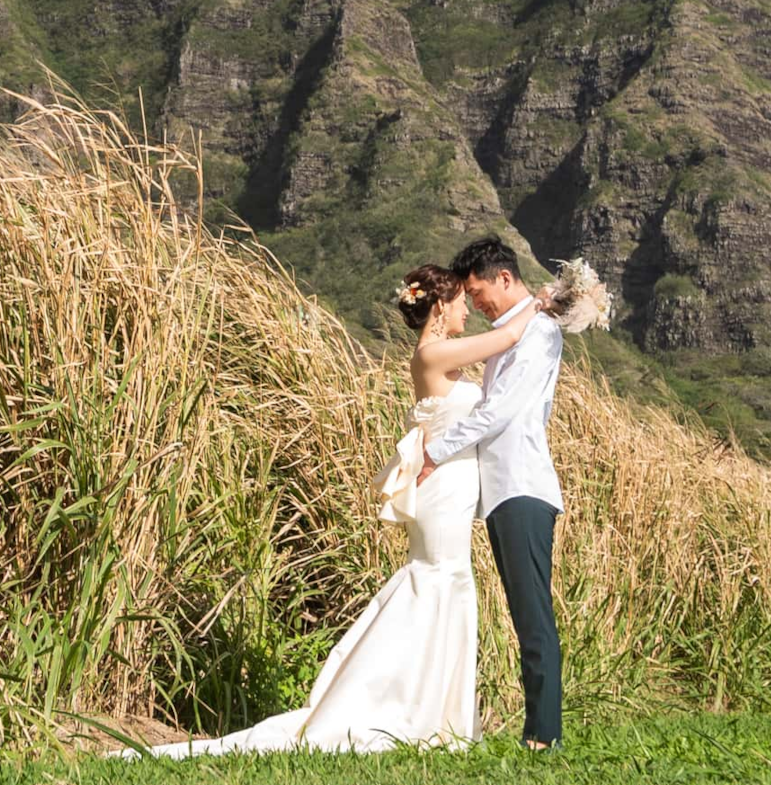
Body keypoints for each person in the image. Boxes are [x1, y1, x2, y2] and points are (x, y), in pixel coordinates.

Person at [126, 264, 529, 756]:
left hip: (449, 488)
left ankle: (436, 713)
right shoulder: (435, 354)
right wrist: (548, 303)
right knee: (440, 581)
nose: (468, 307)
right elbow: (509, 334)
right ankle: (407, 709)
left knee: (446, 584)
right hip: (441, 489)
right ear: (441, 306)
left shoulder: (441, 356)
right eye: (462, 300)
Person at [415, 237, 588, 749]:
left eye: (478, 290)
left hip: (521, 486)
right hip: (500, 492)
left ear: (505, 279)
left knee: (532, 613)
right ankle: (534, 730)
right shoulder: (515, 332)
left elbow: (499, 412)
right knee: (522, 611)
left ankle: (544, 734)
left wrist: (434, 452)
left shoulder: (536, 334)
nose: (476, 301)